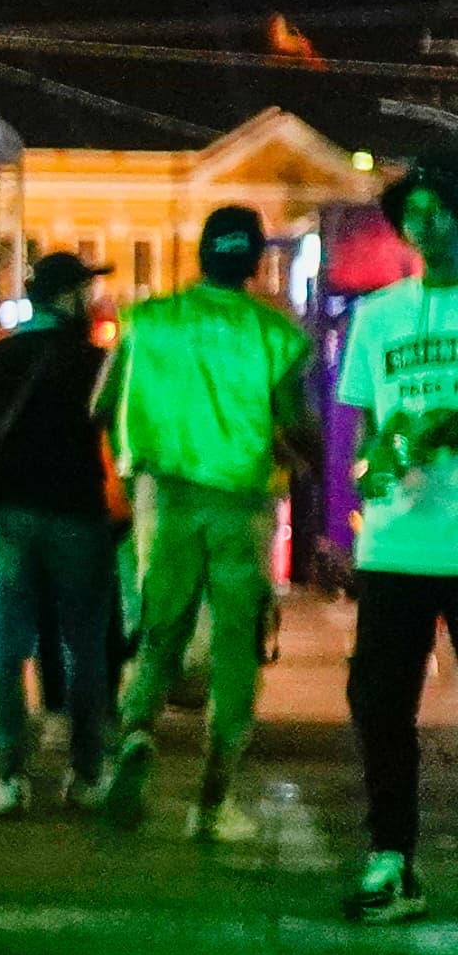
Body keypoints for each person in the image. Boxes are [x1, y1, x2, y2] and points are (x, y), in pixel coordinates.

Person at [96, 205, 313, 840]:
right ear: (253, 262)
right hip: (241, 508)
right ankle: (213, 800)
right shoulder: (275, 335)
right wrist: (302, 456)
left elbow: (98, 403)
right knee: (234, 647)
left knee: (161, 630)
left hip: (165, 499)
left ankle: (137, 732)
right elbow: (298, 424)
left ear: (201, 255)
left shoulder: (148, 323)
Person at [0, 256, 123, 816]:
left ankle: (9, 777)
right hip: (77, 513)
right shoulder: (97, 363)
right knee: (84, 649)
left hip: (7, 518)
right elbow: (121, 441)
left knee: (8, 648)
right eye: (86, 290)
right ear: (70, 296)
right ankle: (86, 773)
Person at [338, 158, 458, 924]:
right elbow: (359, 432)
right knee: (380, 704)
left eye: (441, 209)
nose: (426, 224)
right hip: (396, 544)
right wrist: (371, 464)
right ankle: (392, 859)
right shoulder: (378, 316)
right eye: (413, 212)